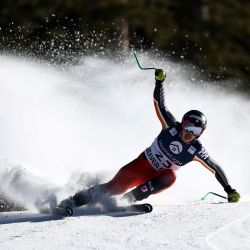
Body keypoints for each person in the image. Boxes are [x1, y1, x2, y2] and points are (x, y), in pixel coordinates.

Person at [59, 69, 240, 210]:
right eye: (187, 126)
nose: (189, 132)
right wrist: (159, 82)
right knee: (112, 188)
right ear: (182, 123)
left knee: (171, 176)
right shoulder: (171, 127)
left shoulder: (196, 150)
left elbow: (214, 167)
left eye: (195, 130)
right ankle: (72, 201)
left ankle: (130, 200)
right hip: (141, 166)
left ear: (200, 133)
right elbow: (160, 105)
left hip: (158, 178)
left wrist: (229, 190)